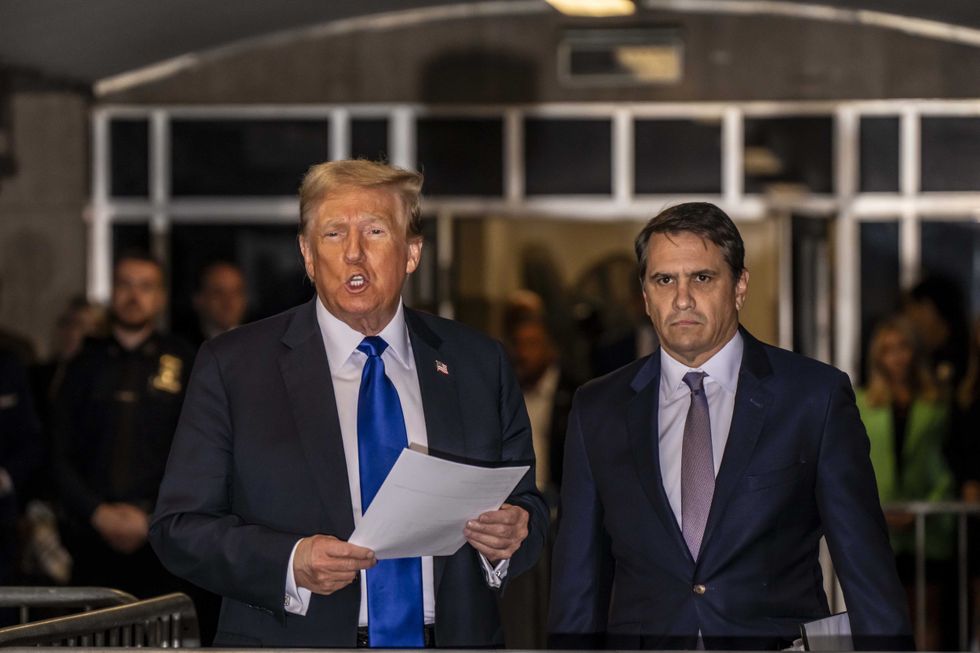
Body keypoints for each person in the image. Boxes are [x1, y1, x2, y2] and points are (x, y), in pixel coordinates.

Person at [150, 160, 547, 648]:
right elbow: (179, 528)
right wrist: (290, 561)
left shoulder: (477, 362)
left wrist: (511, 537)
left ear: (412, 253)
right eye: (334, 234)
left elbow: (527, 503)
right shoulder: (234, 367)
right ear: (307, 254)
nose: (354, 254)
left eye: (375, 231)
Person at [548, 202, 912, 650]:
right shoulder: (597, 409)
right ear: (645, 295)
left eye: (702, 277)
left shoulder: (812, 397)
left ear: (739, 286)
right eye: (664, 280)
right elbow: (577, 586)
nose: (682, 298)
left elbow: (866, 570)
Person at [51, 251, 193, 598]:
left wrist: (152, 514)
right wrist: (97, 512)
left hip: (162, 537)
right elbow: (56, 451)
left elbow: (199, 454)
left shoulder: (187, 361)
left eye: (145, 287)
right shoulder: (83, 363)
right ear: (111, 292)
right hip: (90, 535)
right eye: (125, 285)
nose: (134, 295)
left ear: (160, 297)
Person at [857, 315, 953, 651]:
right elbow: (856, 465)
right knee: (883, 617)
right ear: (877, 356)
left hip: (930, 523)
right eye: (888, 350)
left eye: (902, 348)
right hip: (880, 525)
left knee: (927, 615)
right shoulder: (862, 403)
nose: (896, 357)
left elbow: (946, 464)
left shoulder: (937, 403)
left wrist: (927, 506)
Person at [184, 261, 248, 347]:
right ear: (198, 299)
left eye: (236, 292)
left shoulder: (259, 344)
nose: (228, 301)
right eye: (218, 292)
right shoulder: (184, 348)